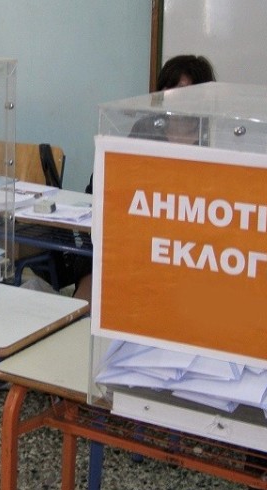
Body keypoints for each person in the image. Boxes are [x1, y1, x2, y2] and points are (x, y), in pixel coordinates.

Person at [73, 55, 216, 304]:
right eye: (170, 91)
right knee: (96, 258)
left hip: (185, 241)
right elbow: (111, 178)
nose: (176, 100)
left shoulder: (213, 140)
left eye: (186, 92)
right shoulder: (146, 128)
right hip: (136, 230)